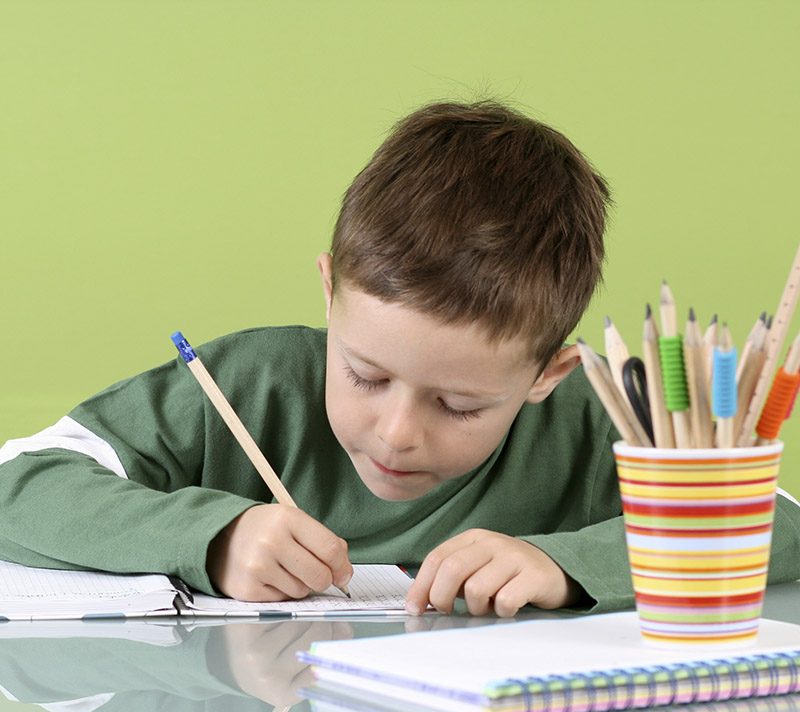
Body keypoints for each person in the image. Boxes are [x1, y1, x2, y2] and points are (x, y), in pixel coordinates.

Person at [1, 100, 799, 617]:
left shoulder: (592, 425)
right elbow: (20, 484)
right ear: (329, 292)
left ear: (547, 375)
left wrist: (564, 566)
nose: (396, 431)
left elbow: (777, 528)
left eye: (458, 405)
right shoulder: (247, 385)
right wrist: (213, 537)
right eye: (365, 375)